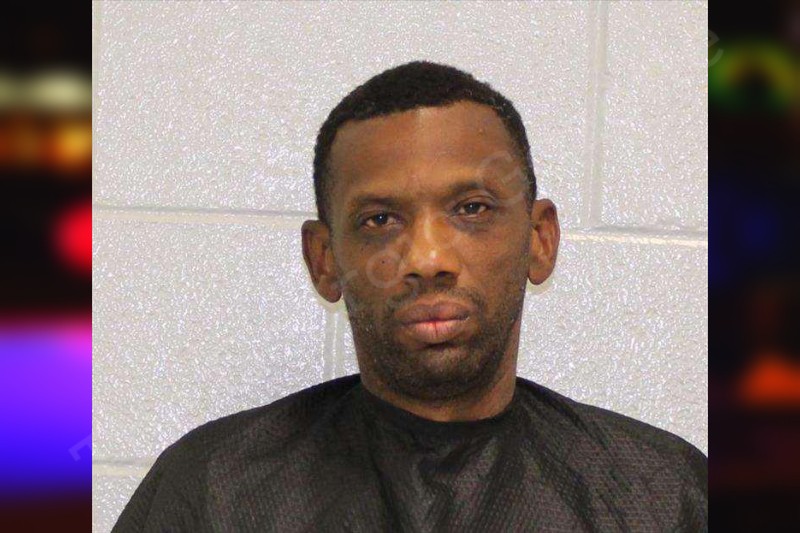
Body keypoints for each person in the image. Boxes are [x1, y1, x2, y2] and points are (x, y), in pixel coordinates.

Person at [113, 61, 707, 532]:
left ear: (538, 240)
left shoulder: (660, 497)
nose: (427, 259)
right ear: (325, 260)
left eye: (471, 209)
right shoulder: (215, 493)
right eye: (380, 219)